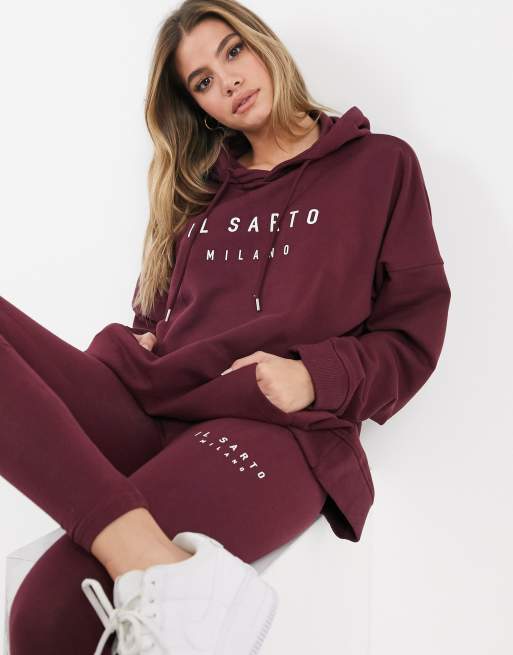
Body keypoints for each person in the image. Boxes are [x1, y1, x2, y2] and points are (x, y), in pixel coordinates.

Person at [1, 0, 451, 653]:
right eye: (203, 81)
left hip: (273, 427)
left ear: (263, 45)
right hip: (151, 405)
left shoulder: (379, 165)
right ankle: (162, 567)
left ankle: (161, 573)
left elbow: (411, 336)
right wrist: (132, 342)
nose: (229, 81)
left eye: (233, 52)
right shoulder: (198, 192)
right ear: (199, 106)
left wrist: (312, 376)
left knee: (46, 612)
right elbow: (154, 315)